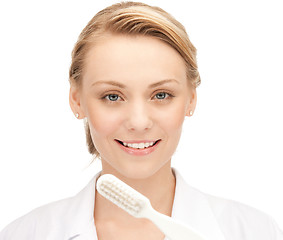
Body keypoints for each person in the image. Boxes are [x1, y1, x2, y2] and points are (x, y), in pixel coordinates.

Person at [0, 2, 282, 240]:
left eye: (161, 94)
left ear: (191, 99)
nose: (138, 122)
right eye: (112, 96)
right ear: (77, 100)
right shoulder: (25, 234)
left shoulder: (254, 231)